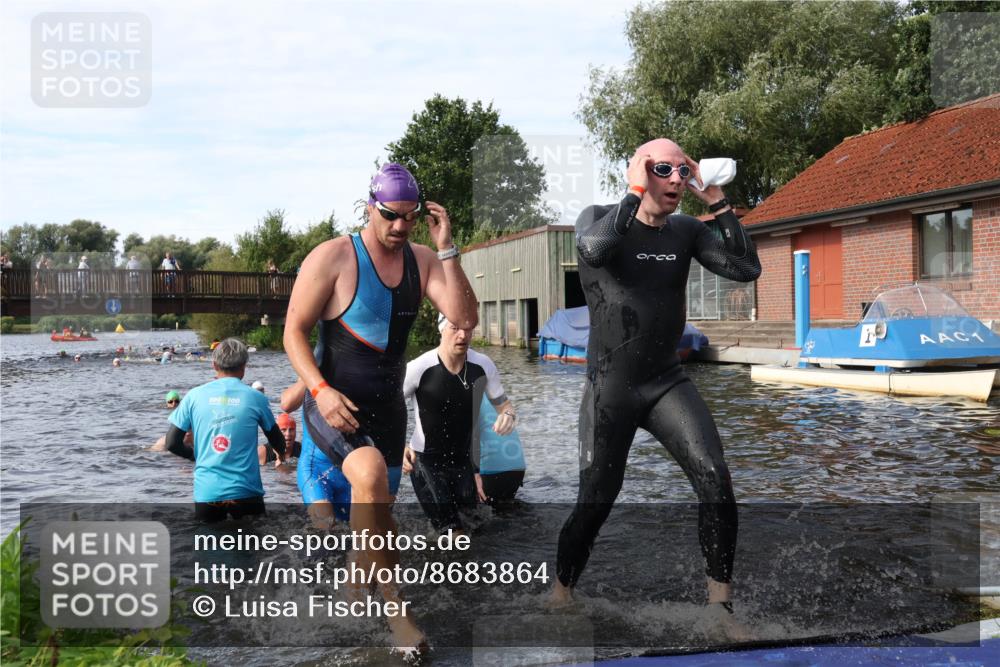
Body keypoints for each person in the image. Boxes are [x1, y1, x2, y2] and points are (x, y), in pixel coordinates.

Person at [551, 139, 762, 629]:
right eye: (664, 169)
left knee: (715, 476)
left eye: (682, 170)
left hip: (666, 381)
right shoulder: (599, 218)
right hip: (610, 389)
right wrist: (634, 191)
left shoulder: (686, 231)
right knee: (596, 501)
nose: (676, 180)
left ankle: (719, 609)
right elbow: (593, 250)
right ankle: (561, 593)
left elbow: (747, 269)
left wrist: (716, 203)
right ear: (640, 173)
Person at [283, 162, 478, 652]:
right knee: (367, 475)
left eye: (410, 217)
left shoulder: (423, 260)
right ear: (369, 207)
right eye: (390, 215)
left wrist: (447, 250)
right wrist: (320, 390)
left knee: (378, 520)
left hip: (389, 411)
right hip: (334, 404)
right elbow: (292, 333)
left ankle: (350, 598)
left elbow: (464, 317)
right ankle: (397, 615)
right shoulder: (333, 257)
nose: (399, 226)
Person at [402, 314, 517, 532]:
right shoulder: (419, 367)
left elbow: (505, 405)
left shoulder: (482, 365)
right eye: (455, 328)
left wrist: (508, 416)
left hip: (462, 462)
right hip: (426, 461)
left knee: (475, 526)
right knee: (453, 532)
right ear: (441, 329)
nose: (463, 335)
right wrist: (400, 446)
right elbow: (391, 409)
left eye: (468, 328)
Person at [163, 338, 287, 522]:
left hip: (208, 492)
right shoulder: (255, 398)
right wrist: (280, 456)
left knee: (207, 546)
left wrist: (195, 456)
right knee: (254, 547)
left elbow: (171, 444)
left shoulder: (194, 396)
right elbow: (278, 441)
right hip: (246, 491)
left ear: (214, 365)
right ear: (244, 366)